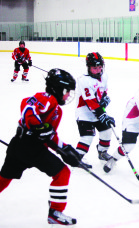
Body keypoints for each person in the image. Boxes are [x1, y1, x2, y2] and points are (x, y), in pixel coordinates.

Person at [0, 68, 80, 225]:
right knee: (62, 173)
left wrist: (65, 150)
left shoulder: (56, 109)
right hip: (29, 147)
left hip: (20, 145)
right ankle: (55, 212)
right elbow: (28, 108)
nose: (68, 95)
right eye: (66, 91)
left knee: (4, 179)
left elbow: (50, 135)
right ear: (57, 89)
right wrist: (37, 127)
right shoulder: (47, 98)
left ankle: (55, 212)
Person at [75, 52, 115, 169]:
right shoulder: (83, 80)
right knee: (87, 136)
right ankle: (77, 158)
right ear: (88, 68)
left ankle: (102, 152)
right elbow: (90, 102)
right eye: (94, 68)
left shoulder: (104, 76)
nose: (98, 70)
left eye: (99, 67)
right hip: (84, 112)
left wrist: (104, 99)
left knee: (107, 131)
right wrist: (102, 113)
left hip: (97, 109)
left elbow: (103, 92)